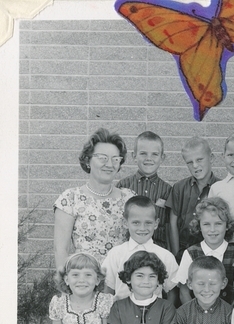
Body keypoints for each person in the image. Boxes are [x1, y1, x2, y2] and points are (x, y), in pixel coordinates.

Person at [53, 128, 135, 269]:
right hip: (85, 283)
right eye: (103, 158)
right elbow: (61, 251)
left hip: (121, 282)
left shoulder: (129, 198)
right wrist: (66, 287)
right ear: (87, 160)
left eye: (115, 159)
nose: (109, 164)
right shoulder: (71, 199)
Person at [100, 196, 180, 304]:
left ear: (156, 223)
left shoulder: (165, 256)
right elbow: (108, 288)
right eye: (136, 223)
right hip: (121, 316)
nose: (142, 228)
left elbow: (172, 290)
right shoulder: (116, 253)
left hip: (154, 316)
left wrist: (166, 313)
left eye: (148, 223)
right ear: (125, 223)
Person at [175, 197, 234, 306]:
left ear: (227, 225)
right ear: (199, 226)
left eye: (218, 224)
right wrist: (195, 315)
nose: (212, 229)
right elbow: (184, 291)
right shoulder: (191, 253)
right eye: (206, 224)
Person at [117, 131, 173, 251]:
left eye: (154, 154)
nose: (149, 158)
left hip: (157, 249)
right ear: (134, 156)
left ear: (162, 157)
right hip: (128, 249)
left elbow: (170, 226)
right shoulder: (123, 186)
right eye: (143, 153)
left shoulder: (168, 190)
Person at [167, 136, 219, 259]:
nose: (195, 165)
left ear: (211, 158)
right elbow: (172, 223)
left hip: (210, 251)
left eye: (199, 159)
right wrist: (176, 255)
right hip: (183, 250)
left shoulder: (220, 188)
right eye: (190, 162)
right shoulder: (179, 188)